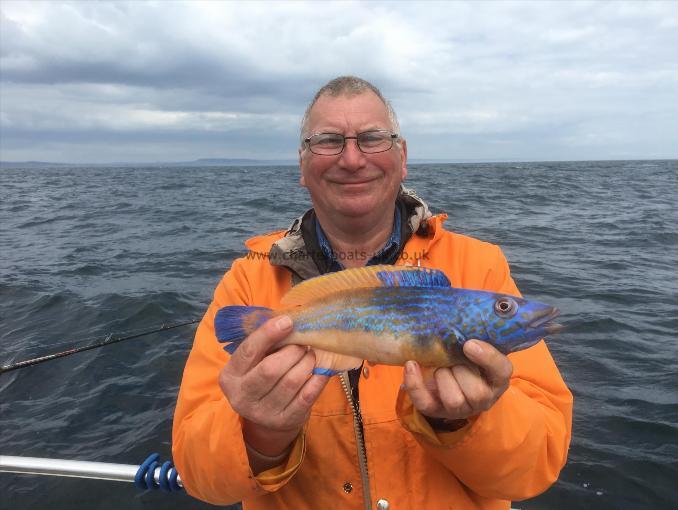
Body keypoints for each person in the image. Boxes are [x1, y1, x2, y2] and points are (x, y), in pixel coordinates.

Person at [172, 76, 572, 509]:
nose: (351, 158)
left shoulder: (481, 266)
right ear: (302, 166)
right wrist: (261, 435)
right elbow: (201, 480)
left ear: (402, 158)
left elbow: (537, 467)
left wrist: (462, 422)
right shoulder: (247, 279)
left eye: (372, 139)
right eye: (327, 141)